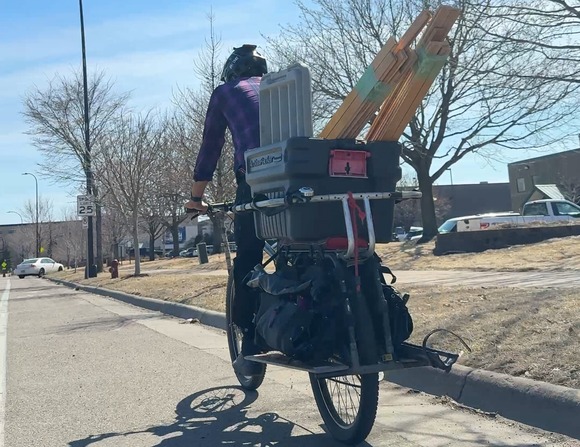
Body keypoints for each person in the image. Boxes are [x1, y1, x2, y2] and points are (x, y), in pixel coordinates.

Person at [185, 44, 267, 376]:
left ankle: (250, 343)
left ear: (232, 72)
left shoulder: (225, 92)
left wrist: (196, 197)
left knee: (249, 255)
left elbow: (211, 146)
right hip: (306, 170)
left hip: (258, 177)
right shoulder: (281, 87)